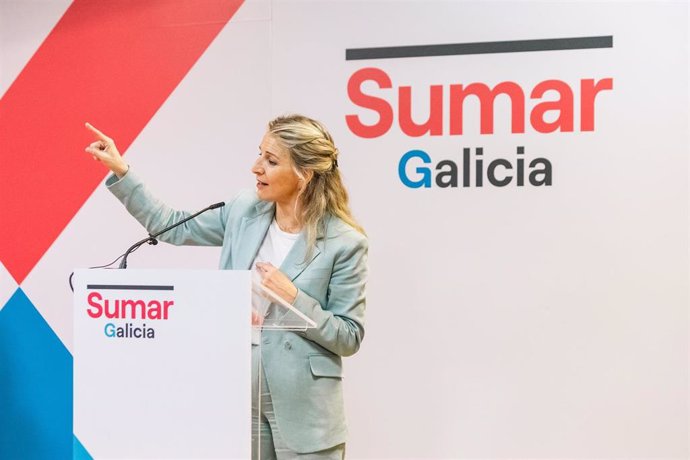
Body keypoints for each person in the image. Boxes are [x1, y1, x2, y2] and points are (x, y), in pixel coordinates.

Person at [84, 115, 368, 459]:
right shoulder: (244, 210)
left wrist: (294, 298)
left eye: (271, 160)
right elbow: (171, 226)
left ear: (304, 175)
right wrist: (122, 171)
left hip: (305, 413)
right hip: (237, 404)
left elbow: (348, 335)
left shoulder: (344, 242)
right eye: (260, 154)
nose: (256, 167)